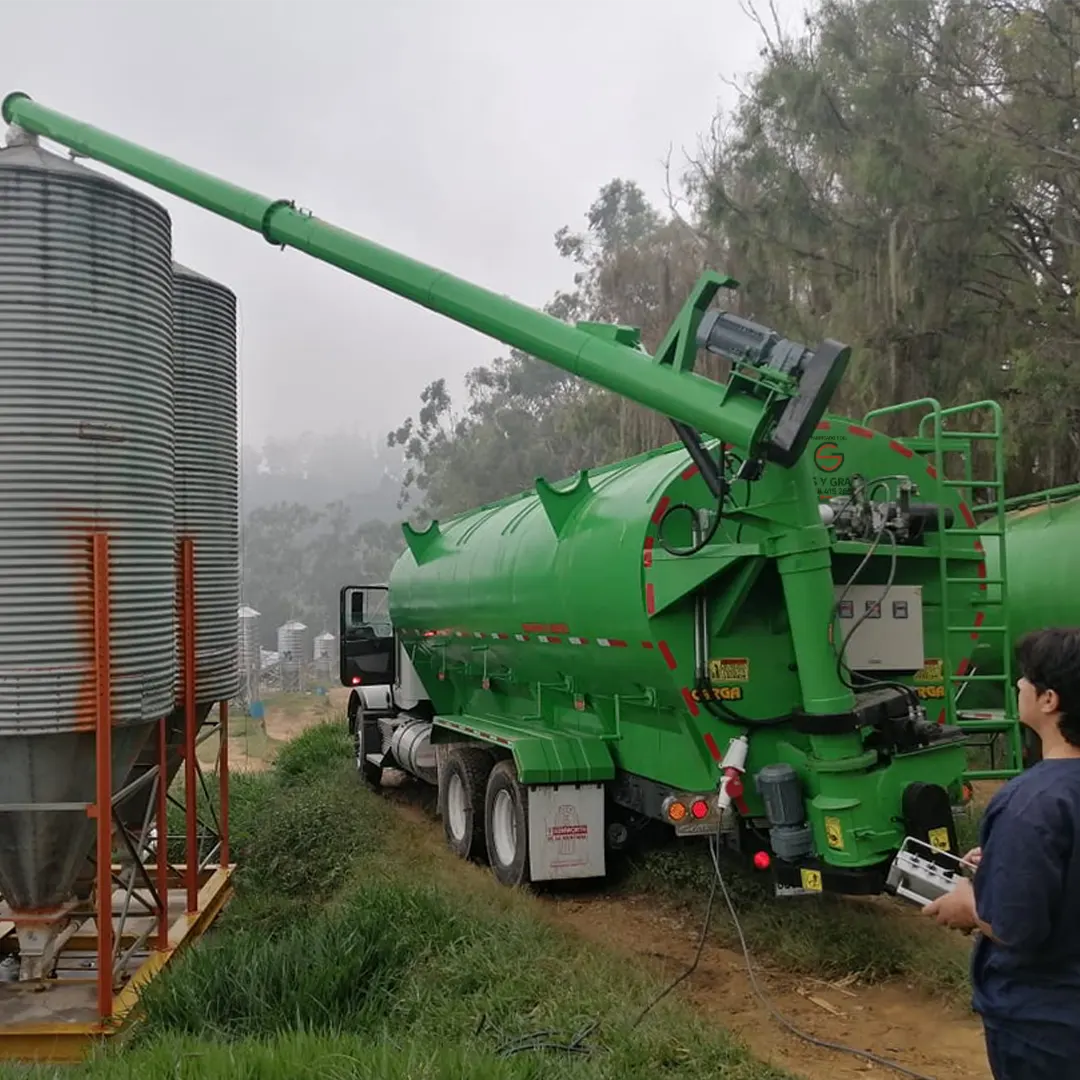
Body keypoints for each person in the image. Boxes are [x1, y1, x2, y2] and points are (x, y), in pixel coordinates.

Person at [922, 627, 1080, 1078]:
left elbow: (1016, 927)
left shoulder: (1030, 804)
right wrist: (1008, 863)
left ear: (1049, 700)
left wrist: (969, 904)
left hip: (1046, 1031)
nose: (1017, 685)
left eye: (1026, 678)